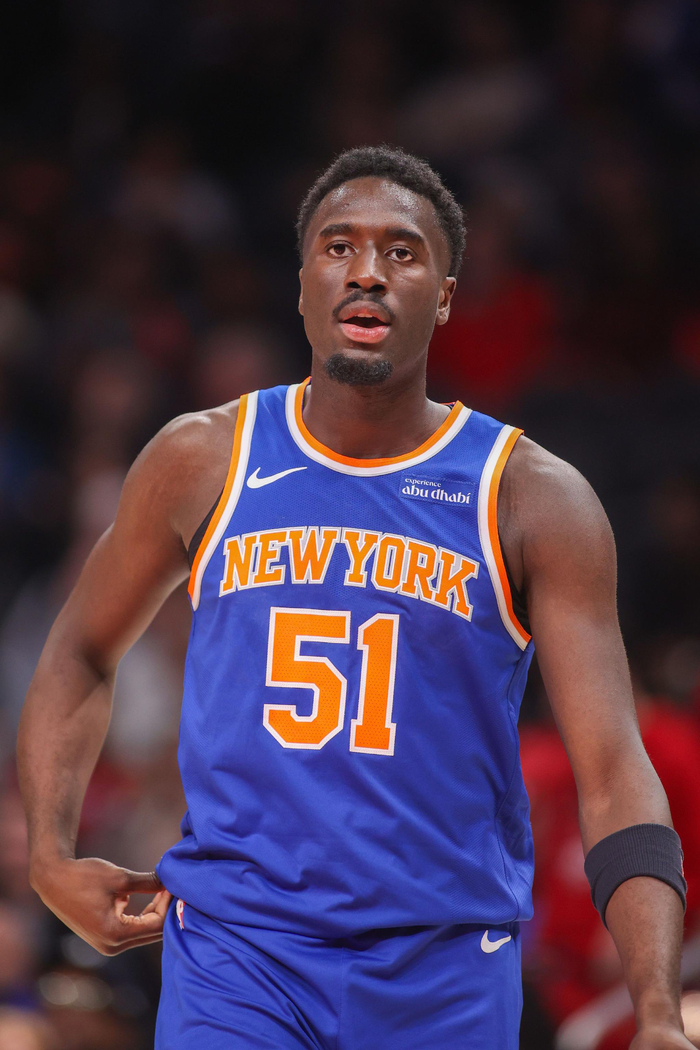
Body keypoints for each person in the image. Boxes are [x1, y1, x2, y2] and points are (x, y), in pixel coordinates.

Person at [17, 146, 691, 1050]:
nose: (367, 271)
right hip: (239, 955)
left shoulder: (531, 497)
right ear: (302, 284)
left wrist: (656, 1009)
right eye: (338, 247)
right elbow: (79, 649)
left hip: (444, 965)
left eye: (402, 253)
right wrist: (49, 855)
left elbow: (612, 770)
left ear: (445, 297)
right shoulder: (202, 458)